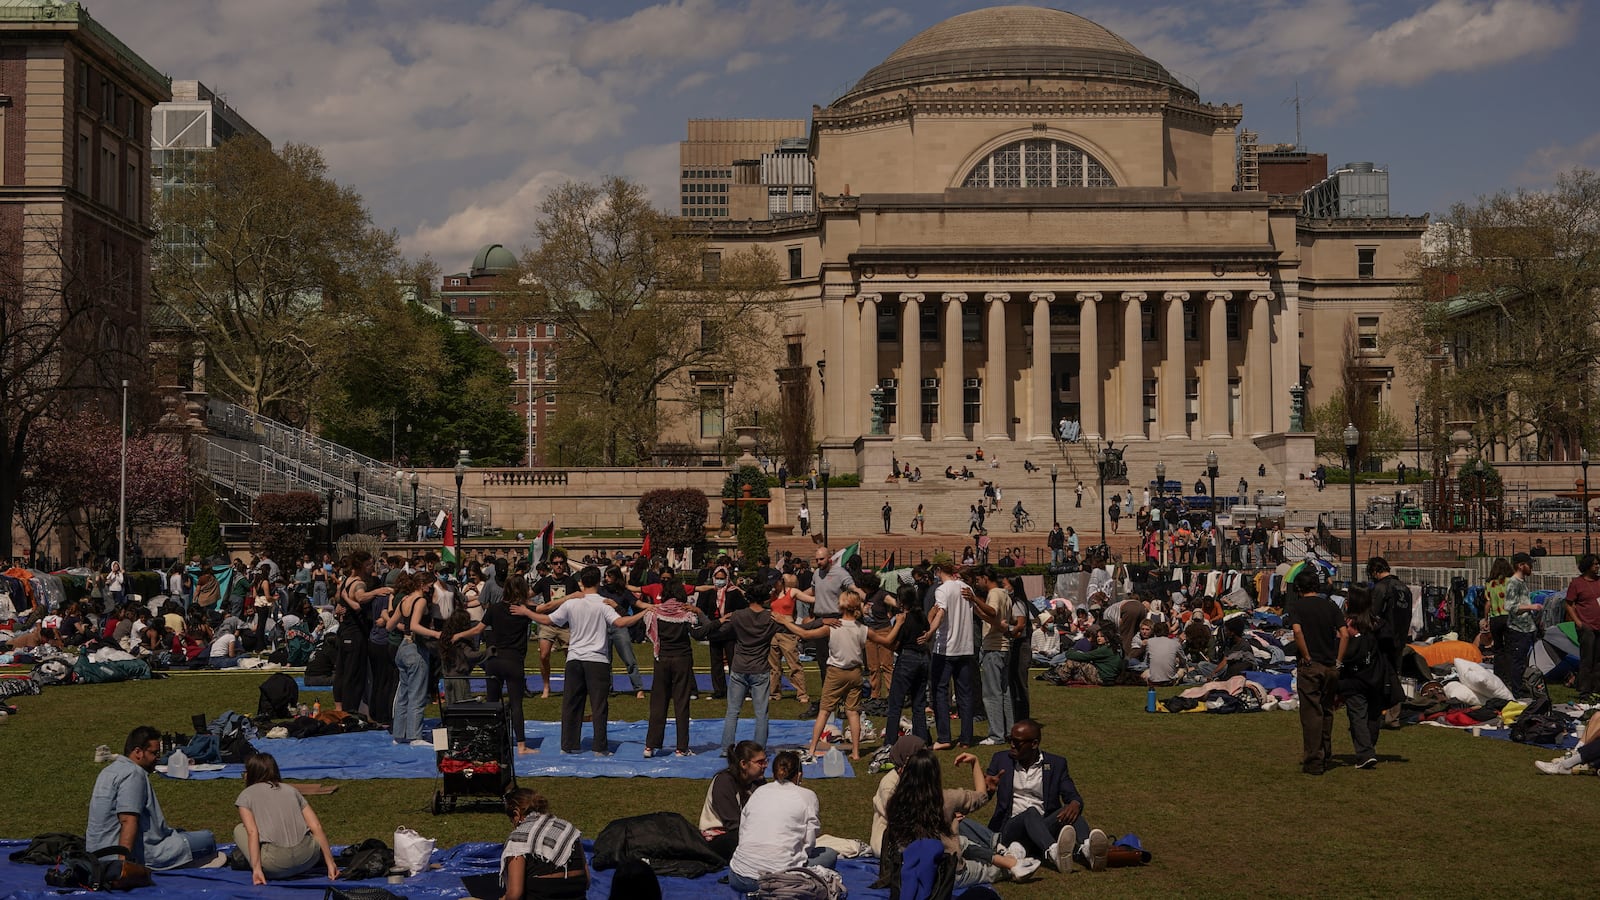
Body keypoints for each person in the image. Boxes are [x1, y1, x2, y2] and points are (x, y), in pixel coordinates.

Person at [877, 746, 1040, 888]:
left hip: (908, 871)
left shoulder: (895, 800)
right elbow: (981, 796)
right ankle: (1012, 864)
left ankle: (1005, 855)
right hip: (946, 874)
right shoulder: (946, 799)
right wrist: (975, 762)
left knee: (963, 842)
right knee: (988, 869)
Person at [527, 566, 647, 755]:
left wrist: (527, 613)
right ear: (599, 582)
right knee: (599, 706)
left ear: (581, 582)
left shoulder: (572, 603)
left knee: (571, 705)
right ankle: (600, 747)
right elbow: (621, 623)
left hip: (574, 659)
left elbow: (547, 620)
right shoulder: (603, 603)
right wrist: (644, 613)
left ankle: (568, 745)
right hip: (597, 660)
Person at [87, 726, 225, 870]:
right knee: (207, 839)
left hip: (96, 852)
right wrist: (123, 865)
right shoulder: (133, 774)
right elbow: (128, 820)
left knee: (181, 833)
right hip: (133, 854)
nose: (157, 759)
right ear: (138, 752)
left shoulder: (108, 771)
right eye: (154, 753)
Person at [984, 720, 1111, 873]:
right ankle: (1053, 851)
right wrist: (989, 791)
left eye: (1017, 742)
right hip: (1011, 827)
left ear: (1034, 744)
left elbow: (1072, 795)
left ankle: (1087, 849)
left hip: (1043, 826)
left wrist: (1075, 803)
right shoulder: (1001, 760)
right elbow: (984, 793)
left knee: (1071, 811)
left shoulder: (1056, 764)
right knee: (1030, 812)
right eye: (1010, 739)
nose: (1011, 745)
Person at [784, 589, 895, 761]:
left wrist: (784, 621)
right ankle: (856, 752)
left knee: (824, 711)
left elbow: (804, 634)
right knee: (853, 712)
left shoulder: (833, 626)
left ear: (842, 605)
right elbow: (887, 641)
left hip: (836, 673)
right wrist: (900, 623)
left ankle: (812, 749)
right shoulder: (863, 629)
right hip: (855, 673)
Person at [726, 750, 837, 894]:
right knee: (829, 854)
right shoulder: (807, 796)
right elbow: (809, 842)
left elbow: (744, 830)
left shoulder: (759, 792)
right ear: (799, 775)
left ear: (773, 774)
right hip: (779, 879)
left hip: (738, 877)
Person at [233, 753, 338, 884]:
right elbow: (316, 826)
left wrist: (257, 869)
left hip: (275, 866)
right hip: (308, 859)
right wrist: (331, 863)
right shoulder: (292, 790)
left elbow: (252, 832)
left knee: (239, 829)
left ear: (252, 773)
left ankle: (257, 862)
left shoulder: (246, 796)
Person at [638, 575, 712, 758]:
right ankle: (681, 747)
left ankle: (650, 745)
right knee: (681, 704)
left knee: (658, 703)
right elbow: (701, 632)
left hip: (661, 659)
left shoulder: (655, 612)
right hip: (682, 660)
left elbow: (646, 631)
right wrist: (701, 613)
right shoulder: (686, 613)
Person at [709, 584, 782, 752]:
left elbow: (718, 631)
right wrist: (822, 621)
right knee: (761, 713)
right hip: (760, 669)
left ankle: (726, 748)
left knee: (732, 712)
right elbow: (799, 630)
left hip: (740, 668)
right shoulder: (771, 618)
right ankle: (759, 749)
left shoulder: (737, 616)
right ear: (765, 598)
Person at [1286, 563, 1341, 775]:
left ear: (1299, 589)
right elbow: (1343, 633)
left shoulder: (1297, 608)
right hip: (1330, 665)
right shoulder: (1331, 606)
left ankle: (1314, 760)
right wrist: (1339, 659)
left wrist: (1306, 654)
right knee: (1327, 712)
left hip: (1310, 665)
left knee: (1311, 715)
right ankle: (1326, 754)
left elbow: (1298, 632)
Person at [1337, 587, 1399, 770]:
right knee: (1373, 714)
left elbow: (1344, 650)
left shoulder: (1348, 624)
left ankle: (1365, 752)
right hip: (1377, 675)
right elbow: (1391, 647)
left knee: (1357, 715)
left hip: (1355, 676)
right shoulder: (1378, 624)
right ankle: (1368, 746)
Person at [496, 788, 589, 900]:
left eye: (512, 820)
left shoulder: (518, 838)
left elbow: (515, 894)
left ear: (516, 813)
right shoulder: (568, 829)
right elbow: (587, 880)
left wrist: (505, 898)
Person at [924, 561, 978, 750]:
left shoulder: (943, 589)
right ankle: (966, 738)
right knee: (964, 693)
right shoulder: (966, 588)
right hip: (965, 647)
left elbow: (941, 612)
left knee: (940, 691)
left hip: (946, 648)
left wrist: (930, 632)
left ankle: (944, 737)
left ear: (939, 572)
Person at [386, 571, 443, 747]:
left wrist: (405, 628)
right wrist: (436, 633)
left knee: (403, 693)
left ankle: (398, 734)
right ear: (421, 585)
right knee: (417, 694)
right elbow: (415, 625)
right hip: (415, 650)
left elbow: (389, 626)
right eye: (429, 584)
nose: (431, 587)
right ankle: (415, 736)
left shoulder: (404, 600)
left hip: (402, 647)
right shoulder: (420, 601)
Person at [972, 566, 1025, 744]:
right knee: (1004, 692)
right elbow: (997, 620)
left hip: (994, 648)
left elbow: (993, 612)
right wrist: (977, 609)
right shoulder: (1005, 594)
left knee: (991, 694)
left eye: (978, 579)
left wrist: (975, 599)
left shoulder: (994, 593)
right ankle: (1010, 731)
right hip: (1003, 647)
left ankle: (996, 734)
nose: (977, 583)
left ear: (986, 578)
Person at [699, 741, 766, 860]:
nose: (765, 765)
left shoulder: (758, 782)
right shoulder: (724, 782)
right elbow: (732, 823)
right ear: (743, 764)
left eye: (765, 761)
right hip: (718, 837)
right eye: (760, 762)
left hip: (745, 832)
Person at [532, 554, 579, 700]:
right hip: (548, 623)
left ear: (564, 564)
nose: (558, 565)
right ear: (551, 565)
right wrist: (538, 607)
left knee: (571, 658)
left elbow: (579, 598)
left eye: (560, 562)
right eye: (555, 563)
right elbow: (528, 595)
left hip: (566, 625)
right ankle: (546, 686)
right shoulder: (544, 582)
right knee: (544, 655)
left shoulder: (571, 582)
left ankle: (572, 686)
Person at [1500, 552, 1543, 699]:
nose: (1531, 567)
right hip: (1518, 630)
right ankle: (1516, 694)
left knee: (1522, 662)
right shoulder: (1513, 582)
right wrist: (1532, 607)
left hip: (1526, 627)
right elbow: (1509, 606)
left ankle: (1523, 689)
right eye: (1529, 565)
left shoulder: (1522, 582)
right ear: (1521, 565)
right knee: (1517, 663)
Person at [767, 574, 810, 705]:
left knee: (794, 665)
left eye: (776, 582)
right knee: (774, 667)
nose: (774, 585)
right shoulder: (772, 595)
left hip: (787, 633)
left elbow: (809, 599)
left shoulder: (792, 592)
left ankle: (802, 693)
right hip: (774, 633)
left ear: (781, 581)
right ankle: (774, 693)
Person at [1567, 553, 1600, 703]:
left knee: (1598, 660)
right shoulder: (1577, 583)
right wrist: (1579, 623)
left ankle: (1596, 689)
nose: (1597, 566)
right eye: (1595, 564)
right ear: (1587, 566)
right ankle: (1584, 692)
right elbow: (1569, 604)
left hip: (1599, 625)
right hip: (1586, 626)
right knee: (1587, 659)